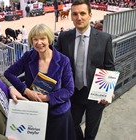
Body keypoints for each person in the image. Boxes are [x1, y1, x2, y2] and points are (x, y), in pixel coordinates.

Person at [55, 0, 115, 140]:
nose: (79, 17)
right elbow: (55, 63)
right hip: (73, 93)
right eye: (75, 14)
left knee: (91, 132)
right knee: (72, 125)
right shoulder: (64, 37)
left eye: (82, 13)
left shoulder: (104, 38)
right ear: (71, 16)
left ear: (90, 15)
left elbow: (109, 66)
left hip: (96, 94)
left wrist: (108, 91)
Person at [4, 24, 76, 140]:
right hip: (34, 112)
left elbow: (69, 90)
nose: (39, 42)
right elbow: (8, 73)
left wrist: (46, 98)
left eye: (42, 38)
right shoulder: (28, 56)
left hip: (57, 114)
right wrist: (26, 91)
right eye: (35, 39)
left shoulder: (63, 60)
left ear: (49, 39)